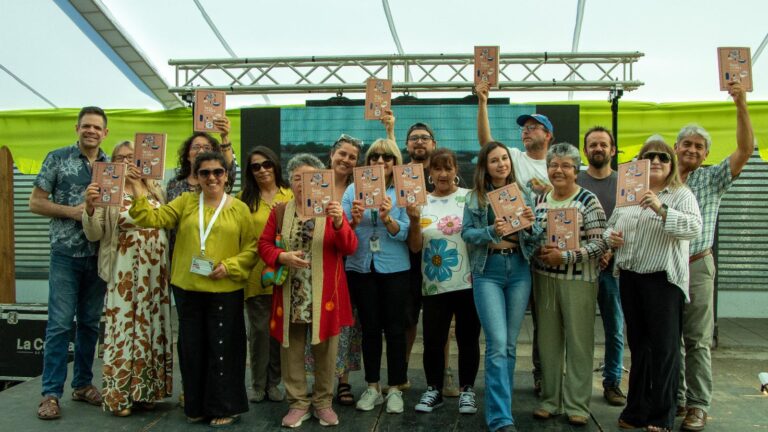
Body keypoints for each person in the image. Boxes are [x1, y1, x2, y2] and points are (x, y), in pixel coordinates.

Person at [129, 151, 257, 427]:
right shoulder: (186, 202)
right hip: (188, 288)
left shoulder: (239, 208)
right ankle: (196, 405)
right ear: (196, 177)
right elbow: (151, 219)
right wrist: (138, 187)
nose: (212, 177)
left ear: (226, 176)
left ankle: (224, 405)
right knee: (191, 348)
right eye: (205, 173)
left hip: (225, 288)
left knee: (223, 348)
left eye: (217, 172)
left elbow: (252, 247)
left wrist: (231, 265)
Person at [606, 138, 702, 432]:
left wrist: (662, 209)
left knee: (665, 349)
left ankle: (662, 414)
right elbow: (612, 224)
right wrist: (612, 237)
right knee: (640, 347)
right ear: (641, 163)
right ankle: (636, 409)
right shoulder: (628, 195)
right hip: (632, 276)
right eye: (650, 156)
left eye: (664, 157)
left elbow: (694, 228)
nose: (657, 161)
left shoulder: (681, 194)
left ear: (671, 164)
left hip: (663, 280)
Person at [676, 80, 754, 431]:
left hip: (697, 265)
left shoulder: (714, 179)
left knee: (696, 340)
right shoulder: (660, 180)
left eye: (699, 146)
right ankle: (674, 398)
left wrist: (741, 104)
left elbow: (745, 148)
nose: (692, 150)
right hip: (664, 268)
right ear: (675, 148)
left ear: (706, 154)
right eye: (687, 144)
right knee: (667, 338)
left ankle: (697, 405)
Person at [259, 153, 358, 428]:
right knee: (291, 349)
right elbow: (264, 245)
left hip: (325, 294)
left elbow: (350, 247)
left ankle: (323, 403)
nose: (305, 183)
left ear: (322, 180)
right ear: (291, 181)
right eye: (298, 178)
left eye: (312, 177)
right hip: (292, 293)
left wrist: (339, 223)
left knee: (326, 348)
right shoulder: (280, 211)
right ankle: (298, 403)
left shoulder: (332, 210)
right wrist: (281, 257)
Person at [82, 141, 173, 416]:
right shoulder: (108, 190)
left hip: (156, 271)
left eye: (132, 157)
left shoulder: (157, 188)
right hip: (124, 270)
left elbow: (165, 222)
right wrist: (88, 207)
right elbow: (94, 233)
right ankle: (120, 396)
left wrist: (138, 186)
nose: (127, 162)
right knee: (124, 330)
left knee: (151, 330)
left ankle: (146, 392)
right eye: (121, 157)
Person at [30, 106, 110, 420]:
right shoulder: (57, 158)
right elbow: (35, 202)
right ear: (76, 128)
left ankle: (82, 383)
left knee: (90, 323)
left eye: (97, 127)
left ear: (105, 133)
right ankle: (50, 394)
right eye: (86, 126)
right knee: (60, 325)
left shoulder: (111, 166)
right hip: (65, 254)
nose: (91, 131)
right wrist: (73, 211)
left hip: (98, 255)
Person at [477, 81, 553, 394]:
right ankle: (502, 403)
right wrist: (483, 101)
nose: (526, 131)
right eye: (524, 128)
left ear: (548, 135)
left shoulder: (559, 165)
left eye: (534, 128)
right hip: (512, 255)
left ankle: (542, 375)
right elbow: (487, 143)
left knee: (544, 324)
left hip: (549, 254)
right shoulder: (514, 158)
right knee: (502, 340)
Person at [461, 142, 538, 432]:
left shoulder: (524, 193)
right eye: (494, 160)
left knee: (509, 345)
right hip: (487, 272)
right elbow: (467, 233)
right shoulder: (474, 198)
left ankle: (503, 410)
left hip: (519, 269)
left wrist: (531, 227)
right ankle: (500, 419)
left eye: (505, 158)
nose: (501, 164)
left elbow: (537, 236)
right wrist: (491, 231)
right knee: (496, 344)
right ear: (485, 166)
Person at [531, 142, 608, 427]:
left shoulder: (588, 200)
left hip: (579, 281)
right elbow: (535, 236)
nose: (558, 170)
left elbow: (601, 243)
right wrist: (537, 249)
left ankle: (577, 404)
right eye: (553, 165)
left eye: (565, 165)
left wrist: (566, 256)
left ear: (576, 170)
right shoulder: (541, 200)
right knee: (547, 342)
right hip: (545, 279)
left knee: (578, 343)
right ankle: (550, 400)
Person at [164, 124, 234, 407]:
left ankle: (214, 395)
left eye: (208, 149)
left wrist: (226, 138)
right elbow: (164, 218)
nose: (210, 175)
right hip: (186, 268)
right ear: (189, 157)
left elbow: (229, 167)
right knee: (190, 337)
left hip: (218, 272)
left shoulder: (228, 195)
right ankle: (191, 392)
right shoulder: (178, 190)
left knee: (216, 337)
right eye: (197, 149)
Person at [406, 148, 481, 415]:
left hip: (469, 282)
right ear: (430, 173)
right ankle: (433, 389)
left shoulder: (470, 198)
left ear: (456, 171)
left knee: (468, 339)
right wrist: (414, 221)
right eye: (437, 168)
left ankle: (467, 391)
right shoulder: (419, 201)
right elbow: (415, 248)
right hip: (434, 284)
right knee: (433, 341)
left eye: (448, 168)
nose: (443, 174)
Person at [342, 139, 411, 414]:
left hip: (395, 267)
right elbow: (343, 231)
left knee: (395, 329)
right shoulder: (352, 189)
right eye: (374, 157)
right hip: (361, 266)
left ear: (395, 163)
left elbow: (406, 231)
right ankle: (372, 386)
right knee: (369, 329)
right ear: (367, 162)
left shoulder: (403, 190)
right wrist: (354, 220)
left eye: (388, 157)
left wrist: (387, 219)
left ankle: (395, 387)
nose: (380, 162)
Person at [576, 126, 627, 406]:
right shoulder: (576, 181)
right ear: (585, 151)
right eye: (593, 144)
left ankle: (612, 383)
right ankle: (577, 383)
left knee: (614, 329)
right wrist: (592, 252)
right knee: (578, 329)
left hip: (613, 269)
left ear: (613, 150)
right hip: (582, 267)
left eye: (603, 145)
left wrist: (608, 251)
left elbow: (631, 222)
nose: (598, 149)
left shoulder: (624, 184)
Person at [238, 146, 292, 403]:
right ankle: (258, 384)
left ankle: (274, 382)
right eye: (255, 166)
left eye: (266, 164)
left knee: (280, 334)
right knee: (259, 333)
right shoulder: (243, 200)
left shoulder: (291, 194)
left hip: (286, 276)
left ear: (275, 165)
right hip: (257, 276)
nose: (262, 170)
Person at [325, 134, 363, 406]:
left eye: (352, 157)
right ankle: (321, 380)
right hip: (320, 264)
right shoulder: (314, 184)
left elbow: (351, 235)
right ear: (332, 154)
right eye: (343, 154)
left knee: (347, 323)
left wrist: (354, 223)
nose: (346, 160)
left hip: (349, 266)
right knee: (320, 322)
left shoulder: (358, 190)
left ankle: (344, 381)